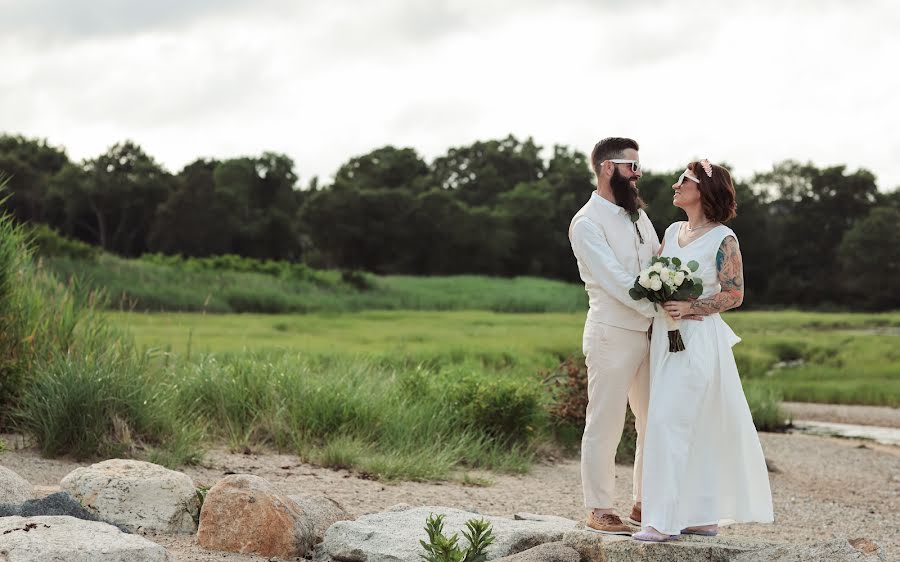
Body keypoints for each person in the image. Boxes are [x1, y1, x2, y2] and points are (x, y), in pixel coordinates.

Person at [632, 160, 774, 542]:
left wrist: (693, 307)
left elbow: (735, 293)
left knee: (669, 420)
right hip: (666, 336)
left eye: (686, 180)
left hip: (697, 339)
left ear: (704, 192)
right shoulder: (673, 229)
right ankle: (701, 516)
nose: (676, 184)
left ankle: (662, 521)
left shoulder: (724, 238)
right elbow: (659, 276)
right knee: (683, 421)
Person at [568, 137, 667, 534]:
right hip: (612, 334)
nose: (638, 175)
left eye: (639, 167)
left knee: (653, 420)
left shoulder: (638, 217)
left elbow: (660, 260)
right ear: (608, 168)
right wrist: (659, 306)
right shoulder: (586, 223)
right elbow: (617, 281)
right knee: (606, 420)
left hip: (651, 334)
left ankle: (646, 503)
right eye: (633, 167)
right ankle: (599, 507)